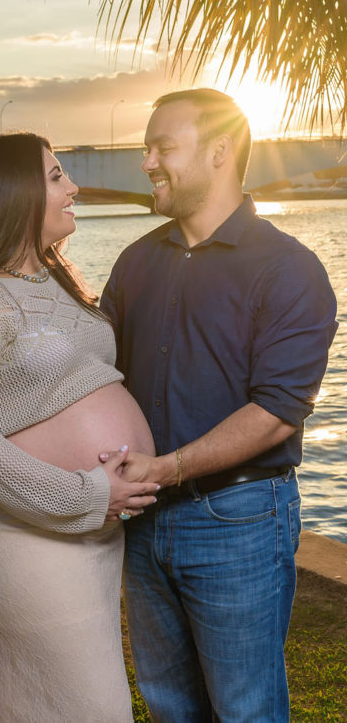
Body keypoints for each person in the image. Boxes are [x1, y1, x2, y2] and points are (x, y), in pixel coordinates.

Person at [100, 88, 338, 722]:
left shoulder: (290, 270)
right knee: (169, 707)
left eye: (163, 148)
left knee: (246, 711)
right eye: (147, 148)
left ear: (219, 151)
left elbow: (279, 410)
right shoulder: (134, 262)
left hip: (239, 521)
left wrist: (169, 467)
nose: (147, 162)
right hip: (143, 520)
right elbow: (96, 377)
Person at [0, 132, 157, 723]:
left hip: (91, 538)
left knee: (54, 707)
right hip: (28, 538)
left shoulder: (57, 282)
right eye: (57, 177)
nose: (74, 187)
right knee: (93, 709)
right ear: (14, 194)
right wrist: (87, 493)